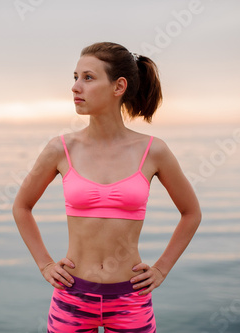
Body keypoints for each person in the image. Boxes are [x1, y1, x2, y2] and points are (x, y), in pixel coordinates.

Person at [12, 42, 202, 332]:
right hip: (71, 297)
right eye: (74, 77)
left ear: (118, 86)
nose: (76, 87)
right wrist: (45, 264)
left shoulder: (154, 151)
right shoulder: (60, 148)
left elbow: (191, 213)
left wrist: (162, 268)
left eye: (88, 77)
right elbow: (21, 207)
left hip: (131, 298)